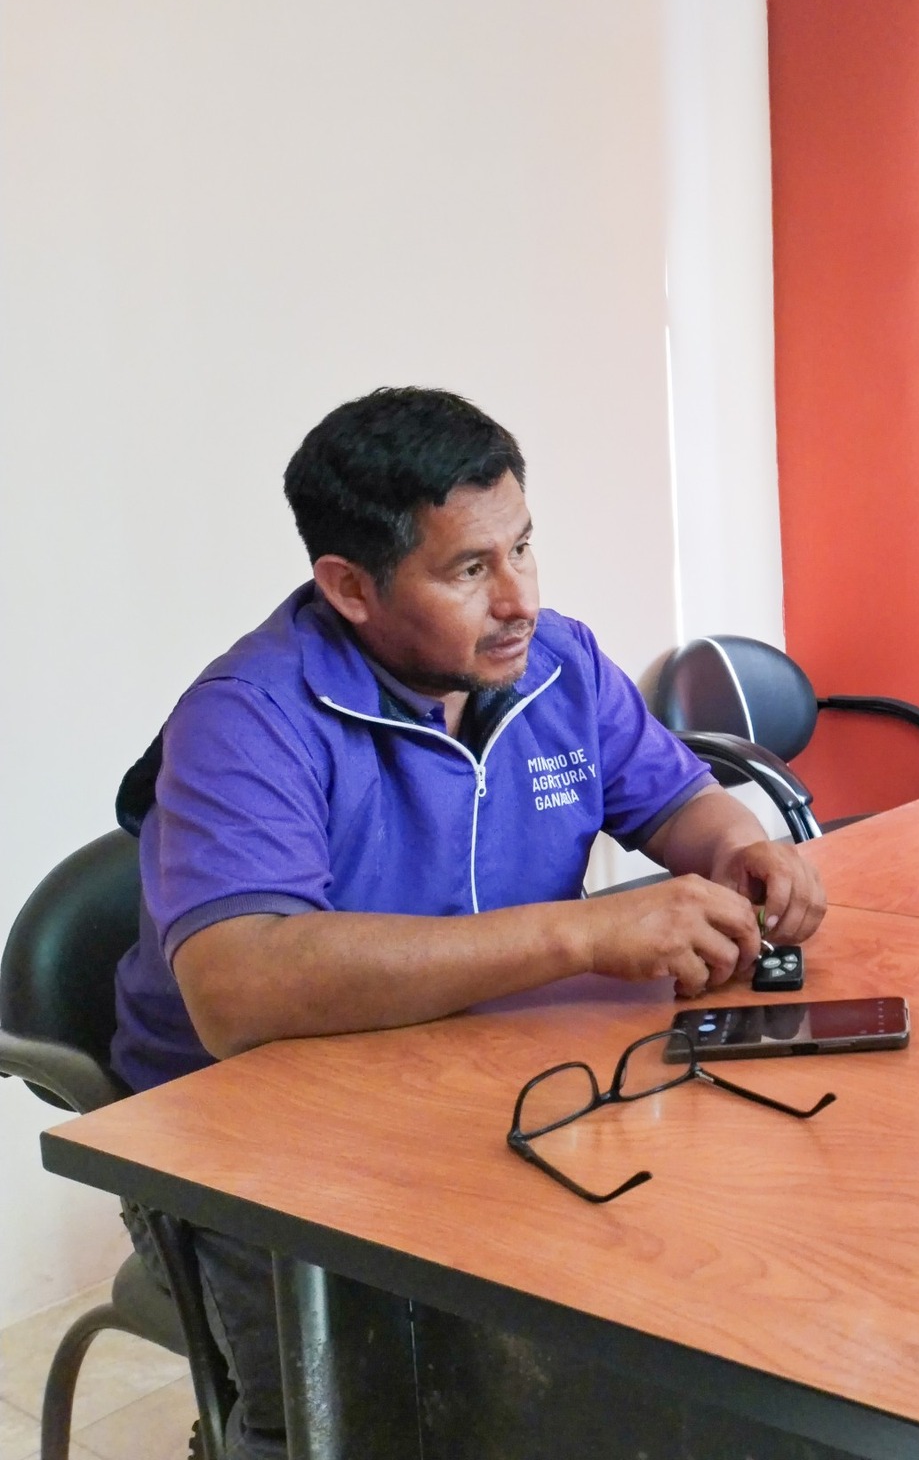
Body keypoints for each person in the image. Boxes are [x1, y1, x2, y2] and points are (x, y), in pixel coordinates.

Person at [108, 386, 825, 1459]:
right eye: (469, 570)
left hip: (477, 1084)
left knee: (692, 1299)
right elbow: (239, 988)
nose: (519, 600)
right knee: (360, 1418)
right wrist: (580, 935)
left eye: (523, 548)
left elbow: (676, 801)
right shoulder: (245, 718)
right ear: (349, 588)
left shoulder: (559, 663)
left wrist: (738, 849)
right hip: (248, 1153)